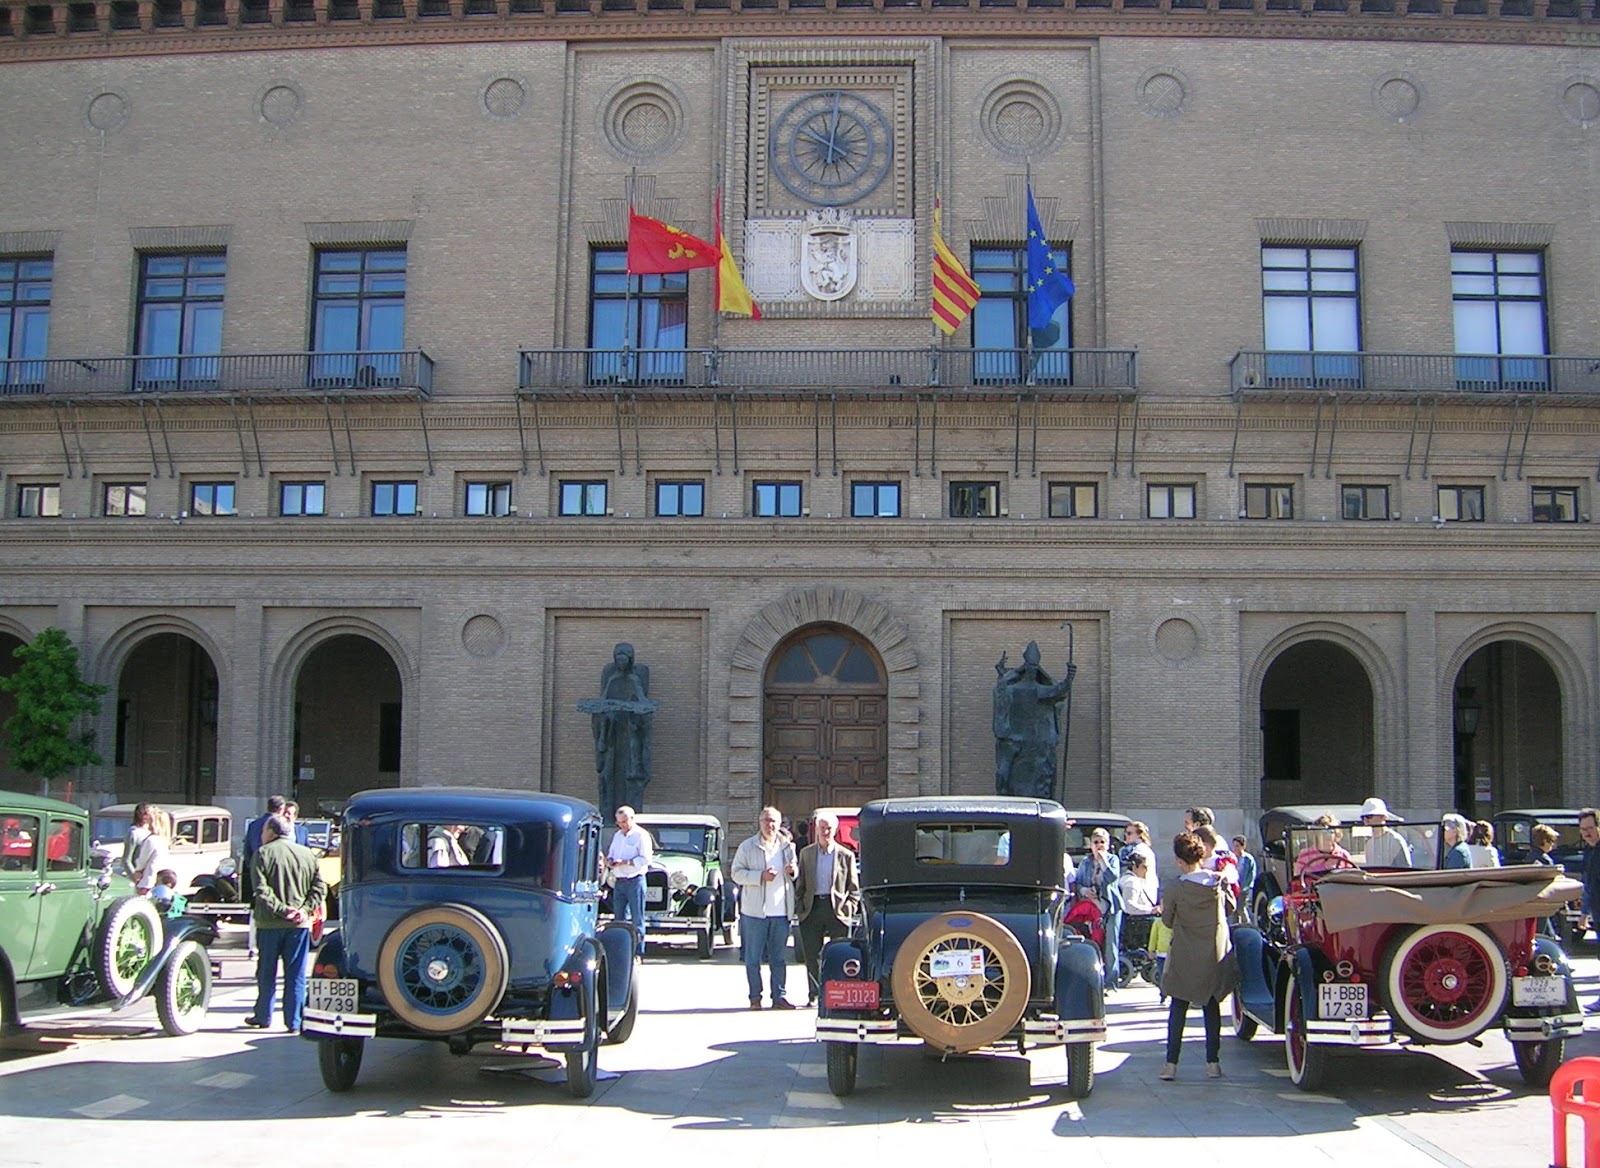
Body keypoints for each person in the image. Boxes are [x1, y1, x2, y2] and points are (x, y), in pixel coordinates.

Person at [1158, 831, 1239, 1081]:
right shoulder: (1217, 883)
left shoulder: (1175, 888)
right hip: (1212, 951)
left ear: (1179, 860)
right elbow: (1231, 907)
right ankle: (1212, 1063)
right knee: (1211, 1005)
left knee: (1178, 1006)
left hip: (1185, 950)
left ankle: (1171, 1065)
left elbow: (1167, 919)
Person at [246, 814, 326, 1032]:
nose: (261, 835)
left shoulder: (262, 854)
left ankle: (263, 1016)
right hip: (298, 926)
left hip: (269, 924)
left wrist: (282, 910)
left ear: (271, 832)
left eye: (263, 831)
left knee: (266, 973)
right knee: (296, 974)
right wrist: (304, 910)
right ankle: (294, 1021)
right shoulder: (307, 854)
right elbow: (320, 888)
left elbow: (261, 890)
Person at [992, 641, 1076, 798]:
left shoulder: (1039, 690)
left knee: (1041, 778)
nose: (1032, 670)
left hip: (1037, 746)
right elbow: (1001, 698)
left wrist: (1069, 678)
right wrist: (1002, 676)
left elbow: (1058, 691)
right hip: (1015, 744)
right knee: (1005, 773)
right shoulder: (1013, 690)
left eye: (1035, 668)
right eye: (1029, 667)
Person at [731, 806, 797, 1010]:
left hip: (781, 911)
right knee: (753, 958)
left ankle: (779, 996)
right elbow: (736, 873)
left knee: (779, 958)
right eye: (766, 821)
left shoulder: (787, 847)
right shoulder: (747, 846)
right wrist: (760, 876)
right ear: (760, 823)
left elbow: (795, 873)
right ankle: (755, 997)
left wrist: (793, 871)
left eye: (774, 821)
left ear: (780, 824)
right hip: (754, 912)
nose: (770, 825)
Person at [794, 810, 860, 1008]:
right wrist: (800, 907)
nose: (825, 832)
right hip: (812, 909)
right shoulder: (806, 854)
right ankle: (814, 994)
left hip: (837, 911)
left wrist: (849, 907)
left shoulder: (846, 855)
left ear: (835, 830)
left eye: (829, 828)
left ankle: (837, 995)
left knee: (839, 954)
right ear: (817, 830)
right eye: (822, 828)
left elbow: (853, 888)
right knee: (812, 956)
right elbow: (801, 885)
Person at [587, 643, 657, 819]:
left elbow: (642, 701)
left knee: (631, 775)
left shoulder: (635, 679)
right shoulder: (611, 678)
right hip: (612, 737)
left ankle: (633, 813)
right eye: (618, 660)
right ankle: (608, 814)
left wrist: (635, 714)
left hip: (631, 735)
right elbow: (604, 701)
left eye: (624, 660)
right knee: (608, 775)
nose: (621, 664)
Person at [1075, 827, 1123, 990]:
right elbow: (1079, 882)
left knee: (1110, 944)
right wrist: (1084, 891)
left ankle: (1111, 982)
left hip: (1110, 906)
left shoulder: (1113, 859)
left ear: (1108, 844)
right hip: (1092, 907)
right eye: (1096, 842)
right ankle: (1093, 979)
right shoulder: (1085, 862)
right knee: (1093, 940)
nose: (1099, 845)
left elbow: (1112, 877)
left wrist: (1102, 861)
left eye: (1102, 842)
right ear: (1091, 845)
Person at [606, 805, 653, 957]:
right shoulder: (617, 835)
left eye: (625, 821)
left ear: (632, 819)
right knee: (618, 919)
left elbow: (646, 859)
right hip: (619, 881)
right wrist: (610, 861)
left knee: (637, 918)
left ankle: (638, 952)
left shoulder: (641, 835)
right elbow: (612, 853)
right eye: (619, 822)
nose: (622, 825)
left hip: (635, 880)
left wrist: (626, 862)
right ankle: (619, 952)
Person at [1293, 814, 1355, 881]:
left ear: (1336, 834)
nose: (1327, 835)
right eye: (1323, 832)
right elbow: (1298, 878)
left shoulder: (1344, 855)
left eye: (1331, 831)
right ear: (1317, 834)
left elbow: (1351, 878)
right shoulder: (1305, 854)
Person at [1358, 797, 1412, 868]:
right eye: (1363, 817)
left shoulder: (1395, 841)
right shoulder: (1369, 844)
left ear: (1383, 817)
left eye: (1369, 816)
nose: (1366, 820)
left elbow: (1405, 870)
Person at [1531, 824, 1562, 940]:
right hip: (1544, 901)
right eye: (1551, 841)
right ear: (1544, 841)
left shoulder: (1530, 857)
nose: (1552, 845)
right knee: (1547, 936)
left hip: (1533, 900)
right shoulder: (1545, 860)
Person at [1230, 834, 1257, 924]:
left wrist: (1245, 887)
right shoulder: (1232, 857)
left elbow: (1251, 874)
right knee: (1234, 910)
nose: (1235, 848)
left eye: (1237, 846)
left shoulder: (1248, 859)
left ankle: (1247, 924)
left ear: (1243, 846)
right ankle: (1235, 927)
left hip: (1243, 888)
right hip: (1234, 887)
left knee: (1241, 908)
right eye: (1234, 846)